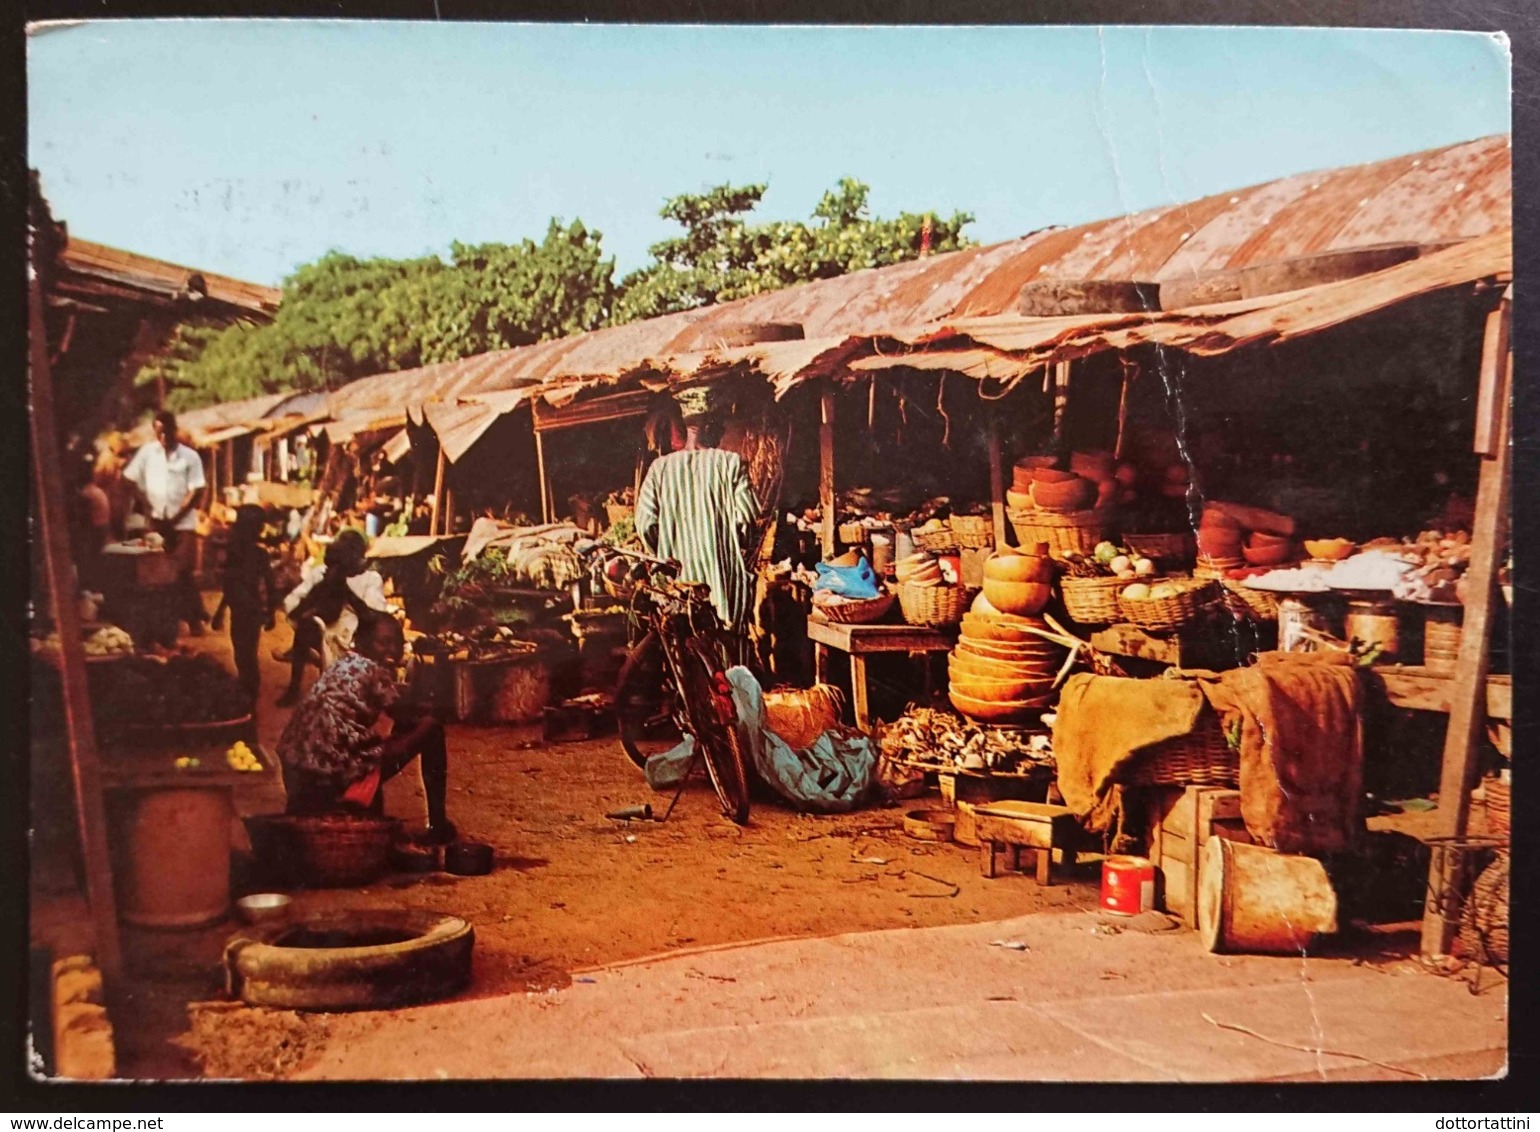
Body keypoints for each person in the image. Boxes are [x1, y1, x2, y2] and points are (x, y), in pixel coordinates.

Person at [276, 610, 456, 844]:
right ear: (361, 643)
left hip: (298, 773)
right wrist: (432, 703)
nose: (391, 651)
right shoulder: (373, 671)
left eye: (397, 644)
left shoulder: (341, 665)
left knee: (390, 735)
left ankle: (365, 801)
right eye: (383, 643)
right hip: (336, 775)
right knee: (431, 728)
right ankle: (438, 824)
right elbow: (406, 713)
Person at [634, 388, 759, 635]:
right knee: (724, 655)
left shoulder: (659, 468)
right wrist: (732, 544)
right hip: (721, 586)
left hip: (676, 588)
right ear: (712, 424)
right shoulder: (731, 463)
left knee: (680, 655)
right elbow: (746, 521)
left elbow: (645, 523)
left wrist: (665, 553)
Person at [276, 528, 386, 707]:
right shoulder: (323, 572)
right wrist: (318, 594)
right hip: (320, 627)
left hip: (352, 633)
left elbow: (373, 614)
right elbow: (295, 602)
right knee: (305, 625)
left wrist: (346, 591)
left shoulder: (371, 579)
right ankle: (294, 687)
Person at [122, 410, 209, 636]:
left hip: (181, 523)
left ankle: (194, 619)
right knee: (159, 574)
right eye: (158, 433)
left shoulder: (190, 457)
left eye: (167, 432)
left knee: (181, 571)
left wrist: (177, 517)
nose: (163, 438)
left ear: (174, 431)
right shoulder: (147, 453)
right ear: (155, 432)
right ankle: (170, 624)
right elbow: (128, 479)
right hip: (156, 522)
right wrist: (146, 506)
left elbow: (198, 490)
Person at [211, 505, 277, 705]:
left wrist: (220, 611)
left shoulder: (243, 553)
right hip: (246, 608)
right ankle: (249, 688)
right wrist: (270, 611)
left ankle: (250, 692)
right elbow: (267, 585)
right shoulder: (254, 553)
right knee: (245, 652)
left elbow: (232, 584)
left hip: (245, 609)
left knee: (244, 653)